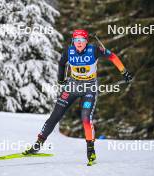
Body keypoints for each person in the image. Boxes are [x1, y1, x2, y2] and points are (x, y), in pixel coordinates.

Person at [23, 29, 132, 165]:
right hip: (72, 87)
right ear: (73, 42)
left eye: (81, 41)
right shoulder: (69, 51)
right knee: (55, 116)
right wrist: (61, 80)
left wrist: (124, 72)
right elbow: (62, 63)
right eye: (76, 41)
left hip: (89, 89)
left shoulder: (94, 50)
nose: (79, 44)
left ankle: (91, 151)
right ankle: (38, 144)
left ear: (86, 41)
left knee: (86, 118)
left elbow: (113, 56)